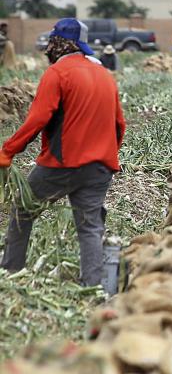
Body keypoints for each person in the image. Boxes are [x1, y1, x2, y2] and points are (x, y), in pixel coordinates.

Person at [0, 19, 125, 287]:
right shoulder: (104, 75)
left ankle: (10, 273)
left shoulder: (58, 73)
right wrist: (109, 156)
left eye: (52, 42)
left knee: (23, 209)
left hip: (63, 163)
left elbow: (37, 120)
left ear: (59, 43)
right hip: (100, 166)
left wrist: (8, 151)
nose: (48, 48)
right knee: (90, 226)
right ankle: (92, 285)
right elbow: (119, 124)